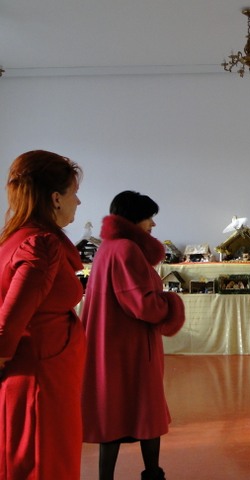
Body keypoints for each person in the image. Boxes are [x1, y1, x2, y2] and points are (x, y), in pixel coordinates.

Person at [81, 191, 185, 480]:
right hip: (133, 348)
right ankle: (152, 474)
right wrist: (171, 303)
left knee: (111, 414)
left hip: (110, 344)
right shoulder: (127, 250)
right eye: (149, 217)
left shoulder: (107, 248)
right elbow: (143, 305)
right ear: (134, 219)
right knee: (146, 410)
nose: (153, 224)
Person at [0, 150, 85, 478]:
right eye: (74, 193)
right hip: (41, 384)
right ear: (55, 198)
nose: (78, 201)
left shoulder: (17, 237)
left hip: (45, 377)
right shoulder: (40, 245)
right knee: (45, 465)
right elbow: (8, 325)